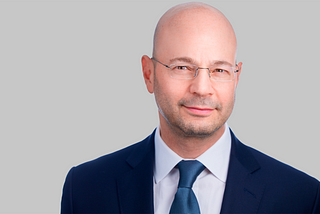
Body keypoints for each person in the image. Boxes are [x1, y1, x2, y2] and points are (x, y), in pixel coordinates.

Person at [61, 2, 320, 214]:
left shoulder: (301, 198)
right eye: (182, 67)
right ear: (148, 74)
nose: (202, 88)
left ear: (237, 77)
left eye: (220, 70)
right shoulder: (84, 189)